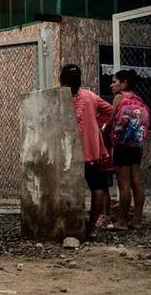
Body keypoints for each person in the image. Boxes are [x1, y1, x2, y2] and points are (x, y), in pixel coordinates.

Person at [59, 64, 114, 239]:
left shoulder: (60, 99)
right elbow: (111, 111)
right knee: (97, 188)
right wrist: (95, 123)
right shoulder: (90, 96)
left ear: (62, 80)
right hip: (91, 151)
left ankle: (71, 224)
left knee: (68, 188)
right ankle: (92, 227)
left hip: (69, 152)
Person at [105, 69, 149, 231]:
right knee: (136, 182)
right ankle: (137, 220)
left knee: (123, 184)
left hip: (122, 144)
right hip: (136, 146)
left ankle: (121, 221)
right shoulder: (138, 99)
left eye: (115, 81)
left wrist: (103, 130)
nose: (112, 85)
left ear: (124, 83)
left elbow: (110, 120)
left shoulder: (119, 97)